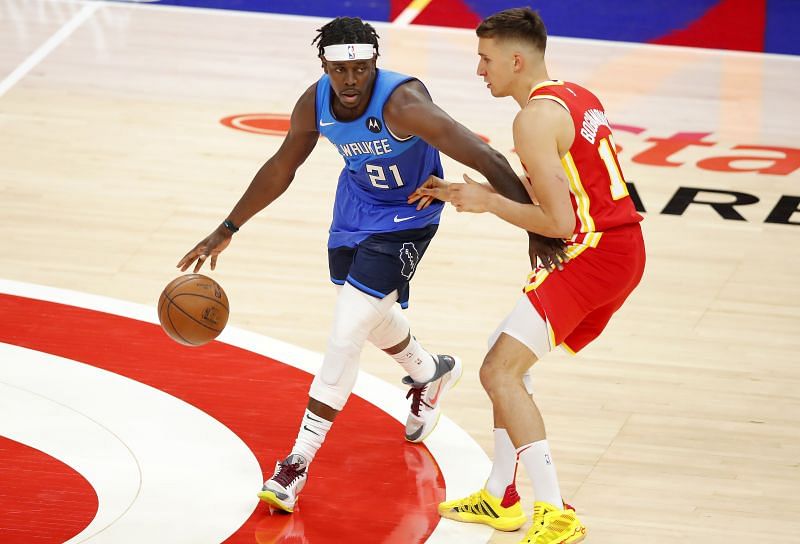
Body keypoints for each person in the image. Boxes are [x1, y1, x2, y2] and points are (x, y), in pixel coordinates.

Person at [177, 16, 562, 514]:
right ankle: (430, 373)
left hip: (410, 214)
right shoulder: (314, 101)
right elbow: (281, 166)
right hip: (355, 208)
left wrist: (535, 227)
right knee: (366, 312)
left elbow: (487, 157)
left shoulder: (403, 103)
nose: (352, 80)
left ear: (375, 64)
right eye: (341, 71)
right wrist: (227, 227)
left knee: (346, 331)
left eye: (362, 69)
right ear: (324, 67)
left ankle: (296, 463)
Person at [412, 7, 646, 544]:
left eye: (485, 58)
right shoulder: (575, 95)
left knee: (499, 372)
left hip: (595, 252)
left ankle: (554, 509)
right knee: (503, 351)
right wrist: (467, 194)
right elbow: (563, 189)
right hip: (617, 244)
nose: (479, 70)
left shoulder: (533, 118)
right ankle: (502, 494)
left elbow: (559, 221)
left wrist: (489, 202)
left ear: (516, 59)